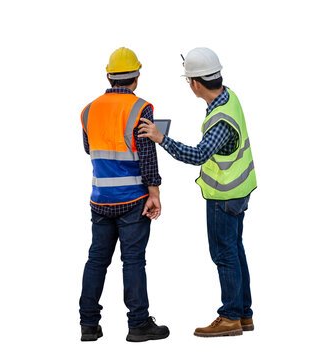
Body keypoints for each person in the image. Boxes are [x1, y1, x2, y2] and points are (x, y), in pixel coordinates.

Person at [138, 47, 257, 337]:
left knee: (224, 254)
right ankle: (243, 314)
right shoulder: (229, 97)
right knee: (235, 251)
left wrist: (160, 138)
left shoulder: (219, 119)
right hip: (240, 190)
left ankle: (230, 317)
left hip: (224, 195)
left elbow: (198, 155)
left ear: (194, 83)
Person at [79, 47, 169, 342]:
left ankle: (89, 325)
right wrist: (154, 193)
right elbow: (146, 156)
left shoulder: (88, 110)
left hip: (100, 199)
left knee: (96, 260)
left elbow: (89, 148)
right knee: (132, 261)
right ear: (136, 77)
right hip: (133, 199)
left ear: (109, 75)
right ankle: (138, 325)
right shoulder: (141, 108)